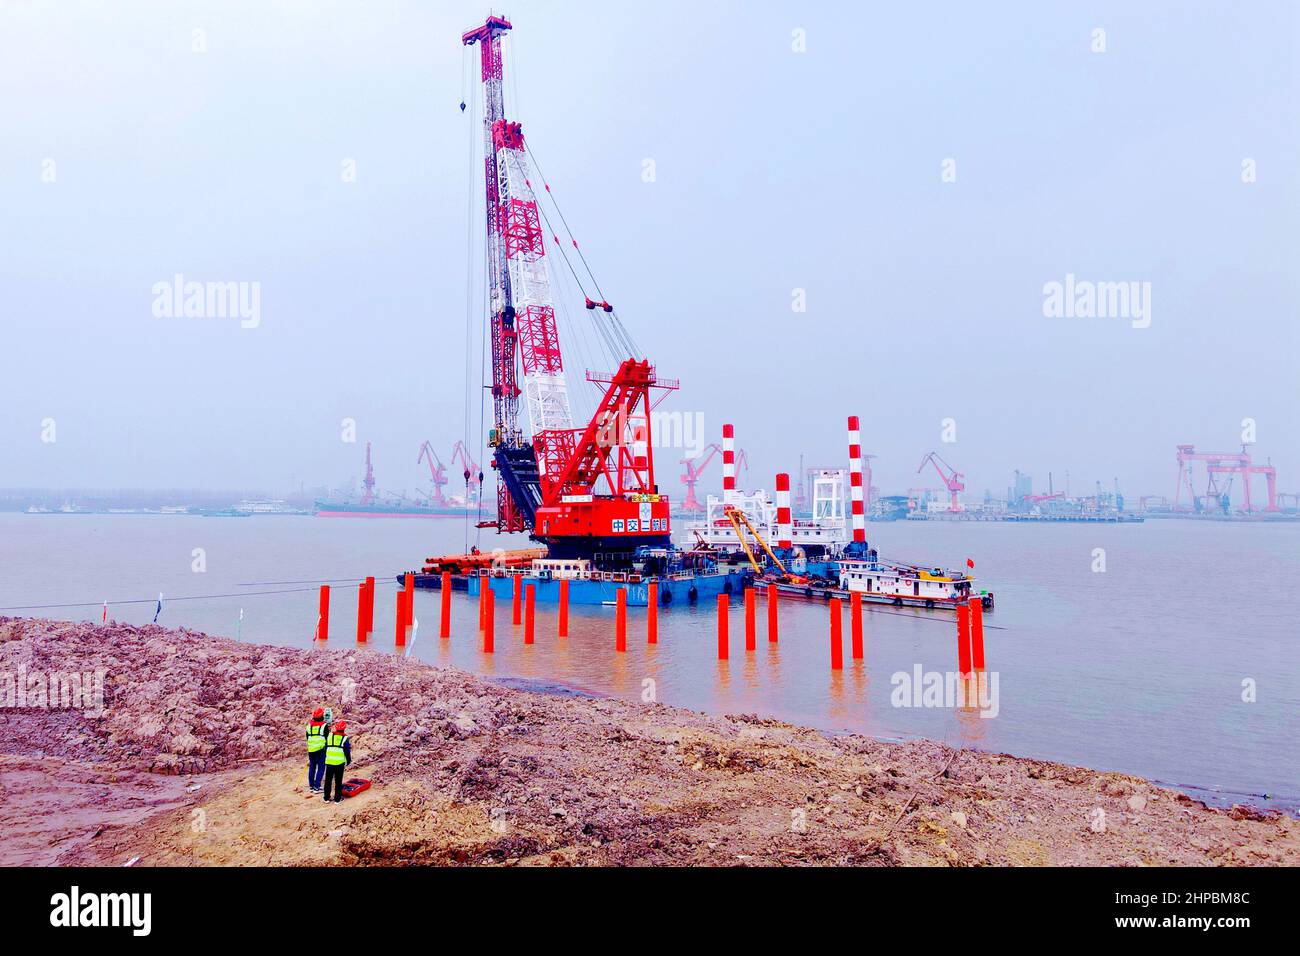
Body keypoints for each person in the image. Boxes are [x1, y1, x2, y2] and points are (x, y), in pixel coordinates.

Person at [322, 720, 352, 803]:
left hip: (329, 762)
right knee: (338, 782)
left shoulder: (330, 735)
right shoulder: (345, 738)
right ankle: (337, 799)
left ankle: (326, 798)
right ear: (344, 728)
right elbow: (347, 751)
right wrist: (349, 761)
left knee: (328, 781)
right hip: (339, 763)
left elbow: (325, 747)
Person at [305, 707, 328, 792]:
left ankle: (311, 786)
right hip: (321, 750)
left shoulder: (309, 726)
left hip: (311, 750)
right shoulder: (324, 726)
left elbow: (307, 737)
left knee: (312, 767)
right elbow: (327, 738)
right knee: (321, 768)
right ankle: (317, 787)